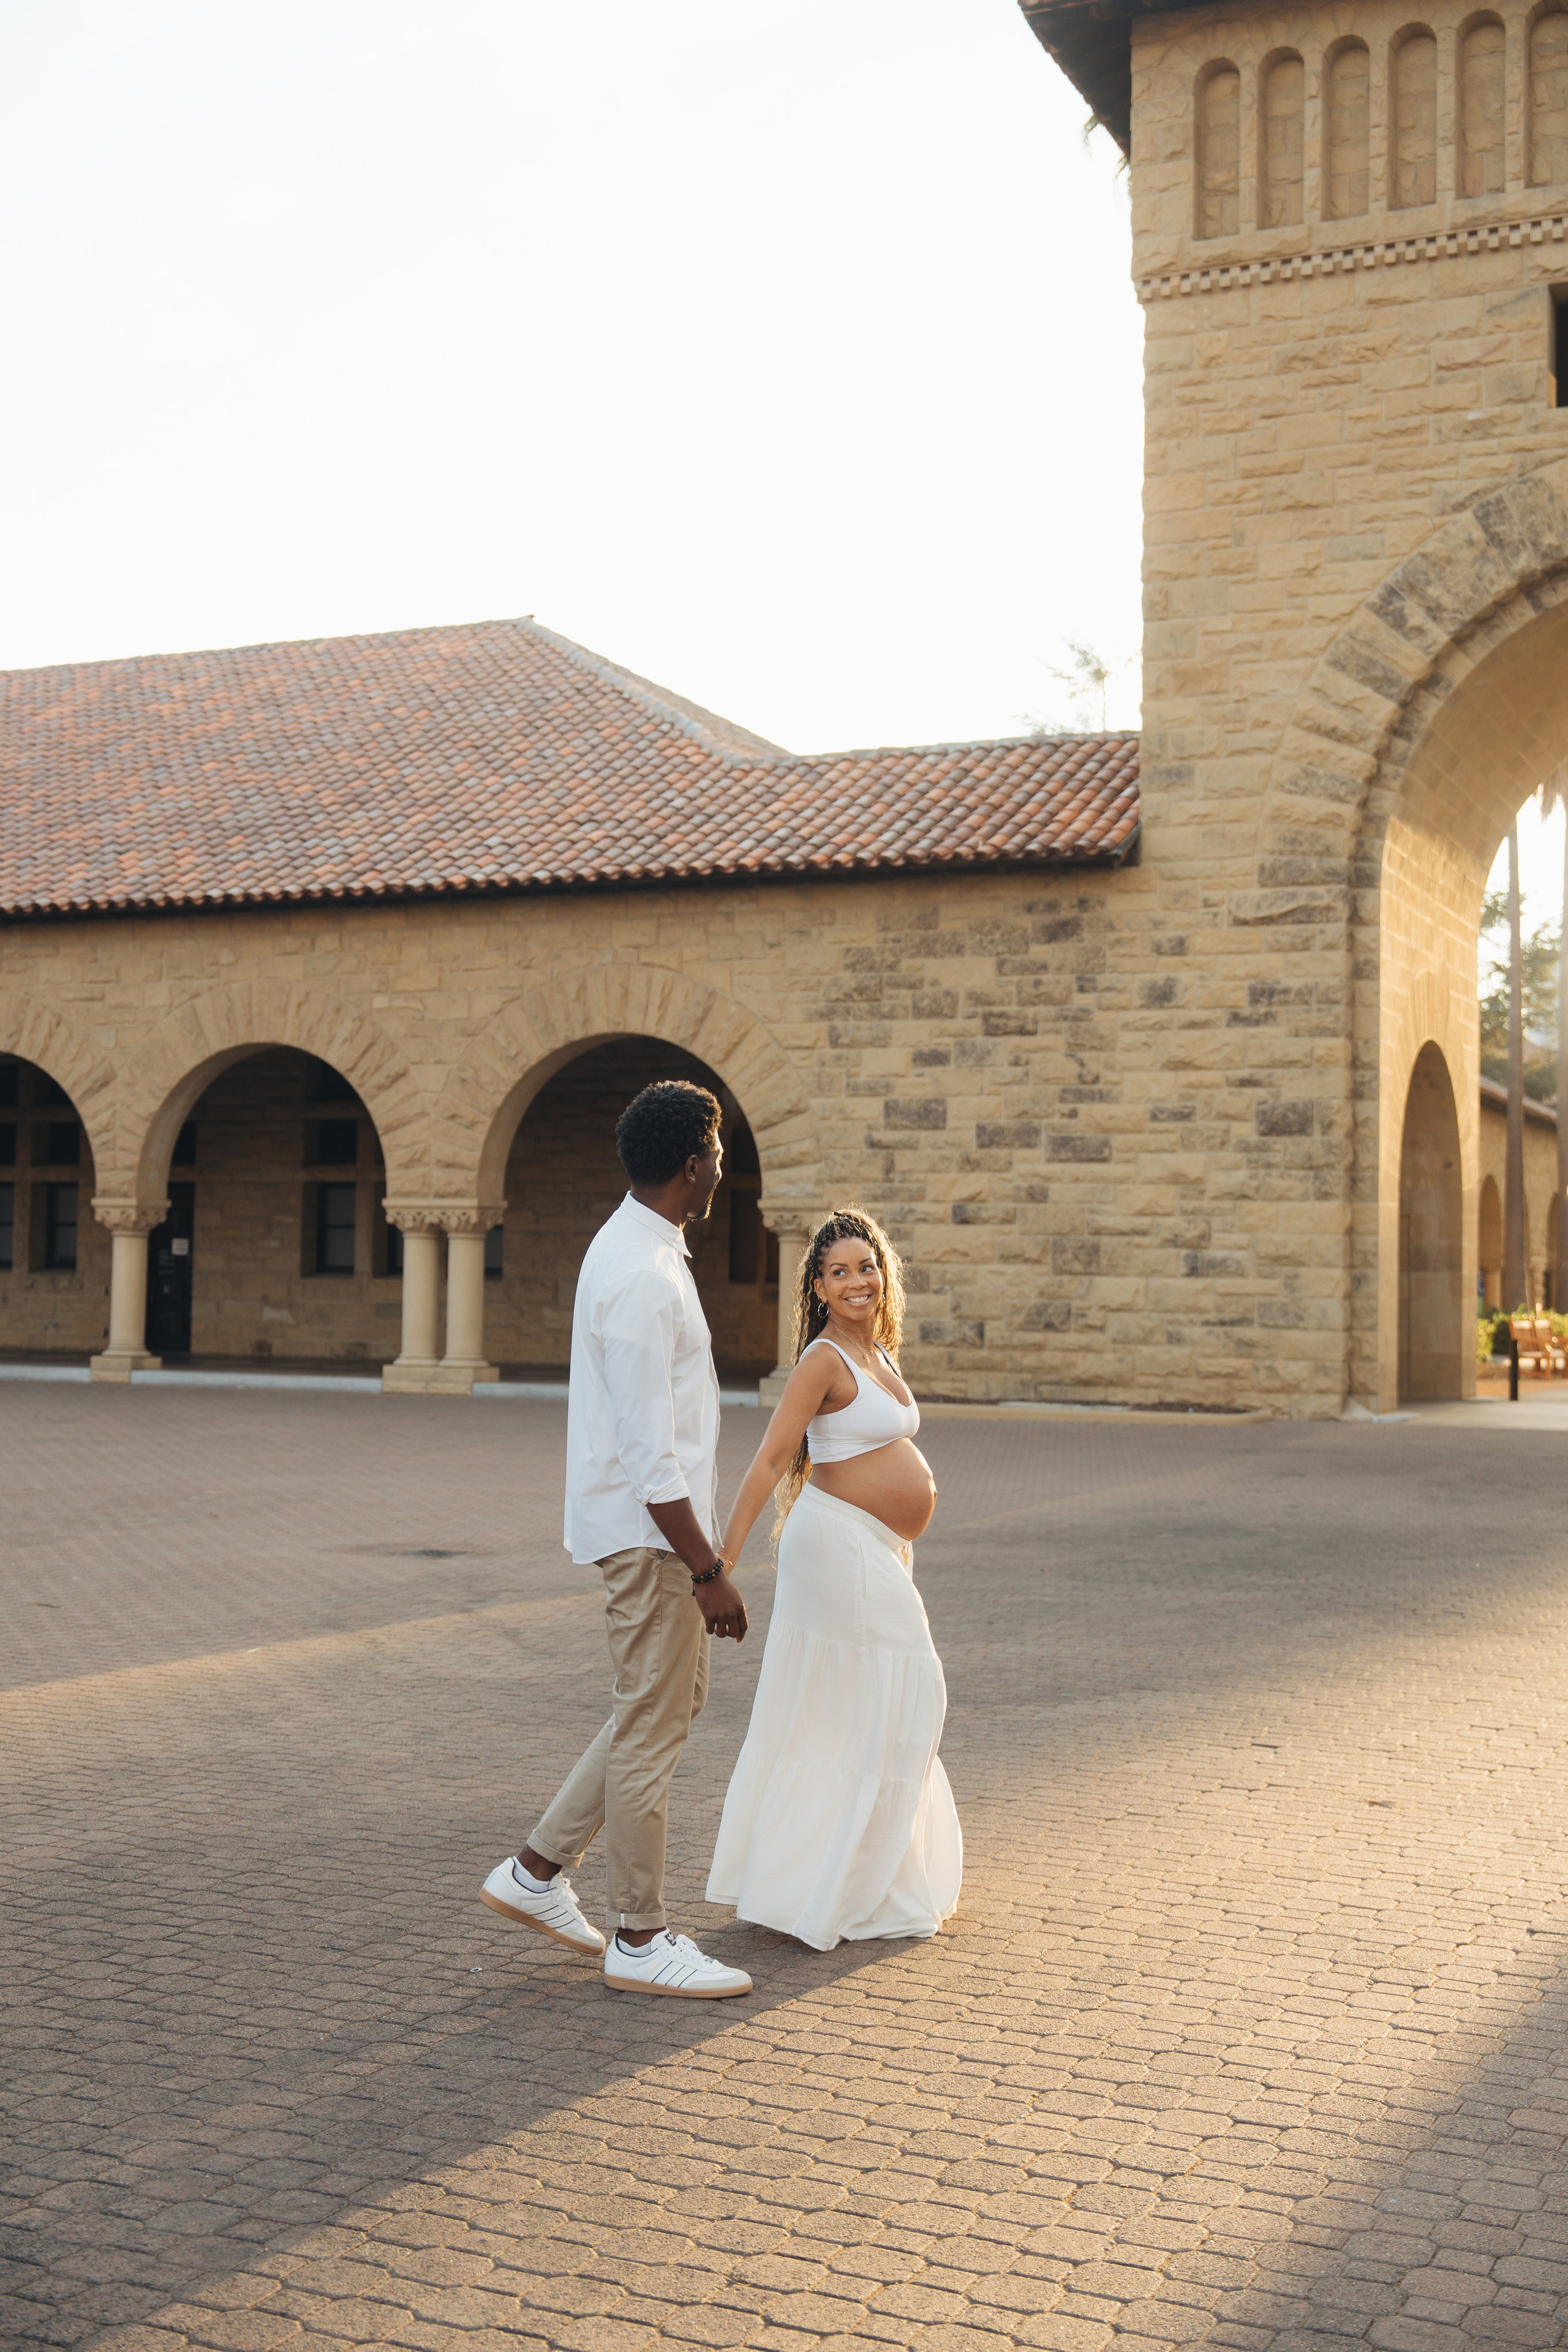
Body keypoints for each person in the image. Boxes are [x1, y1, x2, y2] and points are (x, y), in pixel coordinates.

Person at [480, 1079, 753, 1999]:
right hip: (653, 1540)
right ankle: (640, 1937)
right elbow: (649, 1453)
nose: (722, 1167)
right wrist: (706, 1568)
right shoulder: (642, 1274)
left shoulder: (643, 1248)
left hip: (653, 1535)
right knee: (652, 1726)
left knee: (660, 1706)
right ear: (694, 1166)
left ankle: (535, 1873)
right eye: (718, 1153)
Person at [707, 1207, 961, 1950]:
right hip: (833, 1545)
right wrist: (722, 1562)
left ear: (885, 1274)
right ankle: (835, 1885)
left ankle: (848, 1879)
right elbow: (770, 1459)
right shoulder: (823, 1360)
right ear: (817, 1287)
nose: (857, 1281)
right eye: (839, 1271)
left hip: (870, 1547)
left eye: (867, 1266)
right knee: (906, 1687)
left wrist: (896, 1538)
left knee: (854, 1707)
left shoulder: (876, 1350)